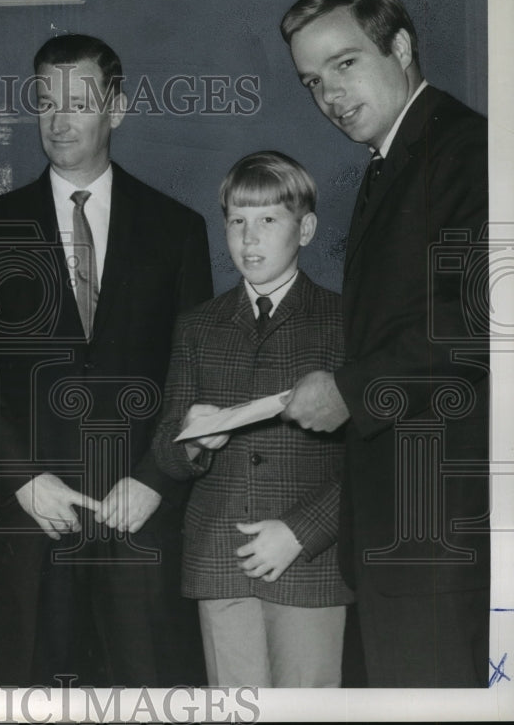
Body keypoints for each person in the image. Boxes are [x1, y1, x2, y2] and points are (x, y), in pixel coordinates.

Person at [0, 34, 213, 686]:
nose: (59, 117)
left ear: (117, 109)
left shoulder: (176, 228)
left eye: (78, 101)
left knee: (148, 690)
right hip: (32, 516)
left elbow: (196, 375)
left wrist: (156, 479)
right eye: (45, 100)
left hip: (141, 514)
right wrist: (21, 478)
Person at [279, 0, 490, 687]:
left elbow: (476, 323)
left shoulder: (469, 150)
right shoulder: (398, 157)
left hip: (437, 526)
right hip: (402, 529)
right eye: (312, 81)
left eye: (345, 64)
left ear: (400, 46)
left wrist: (350, 389)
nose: (330, 97)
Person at [151, 151, 352, 687]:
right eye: (237, 221)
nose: (249, 237)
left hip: (309, 562)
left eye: (268, 220)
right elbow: (167, 454)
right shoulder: (198, 326)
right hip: (220, 560)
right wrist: (193, 441)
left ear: (305, 229)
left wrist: (301, 531)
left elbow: (372, 458)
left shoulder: (345, 322)